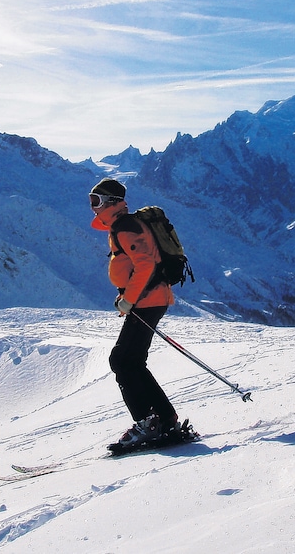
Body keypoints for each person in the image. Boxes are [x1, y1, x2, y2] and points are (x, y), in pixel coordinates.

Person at [89, 178, 180, 448]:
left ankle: (148, 423)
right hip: (148, 299)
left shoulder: (125, 227)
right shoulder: (122, 226)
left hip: (147, 301)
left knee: (122, 360)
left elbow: (146, 264)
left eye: (96, 201)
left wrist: (129, 299)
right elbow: (138, 265)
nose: (93, 207)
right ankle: (164, 419)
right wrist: (127, 295)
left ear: (111, 202)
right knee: (131, 361)